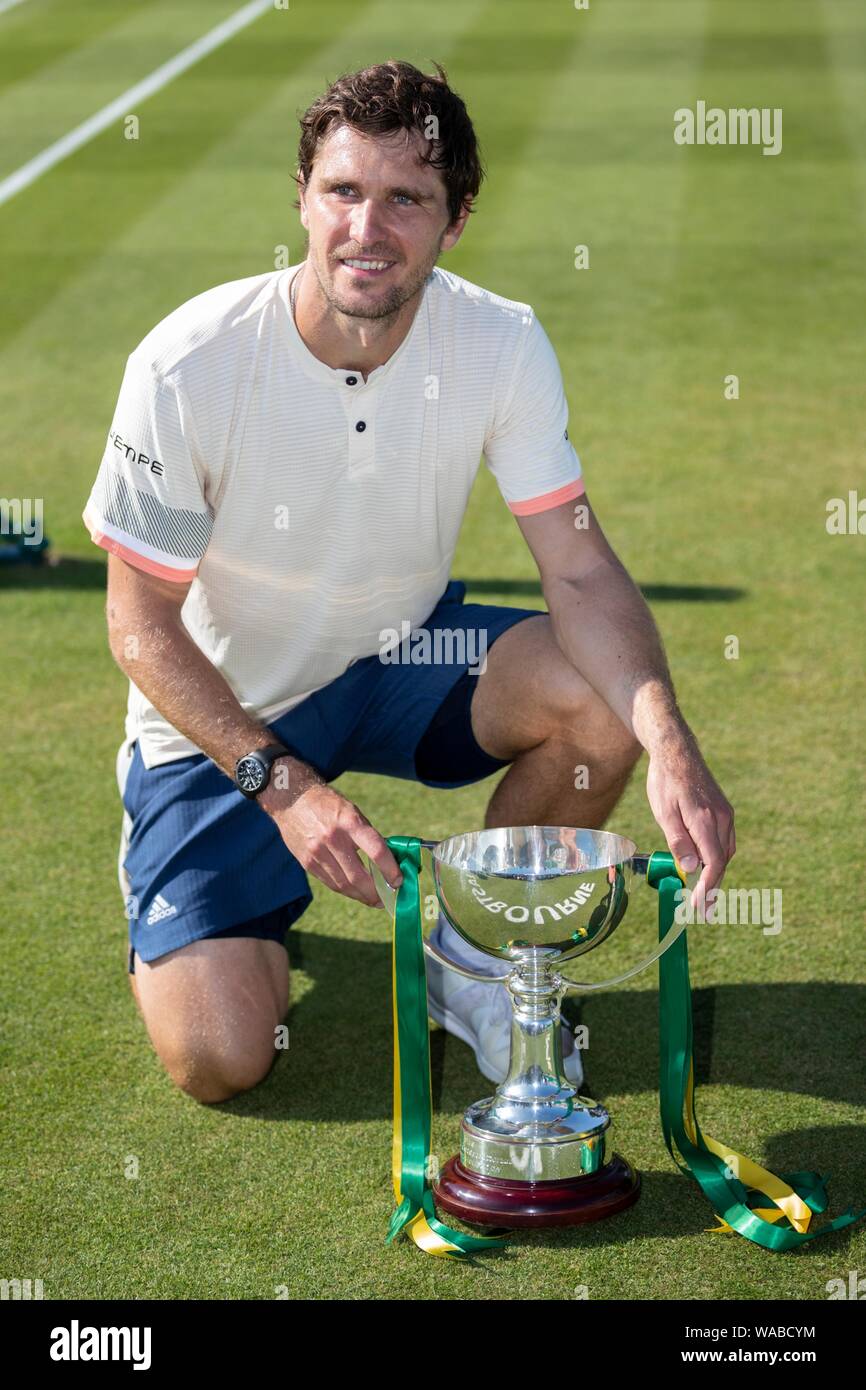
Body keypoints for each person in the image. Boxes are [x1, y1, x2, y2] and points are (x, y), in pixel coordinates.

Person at [83, 60, 734, 1105]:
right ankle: (196, 899)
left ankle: (468, 958)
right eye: (343, 191)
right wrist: (284, 790)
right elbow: (138, 628)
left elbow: (576, 565)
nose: (366, 229)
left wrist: (669, 741)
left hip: (401, 655)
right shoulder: (187, 364)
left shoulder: (499, 340)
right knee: (219, 1056)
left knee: (599, 705)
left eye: (406, 199)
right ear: (301, 196)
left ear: (454, 217)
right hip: (230, 714)